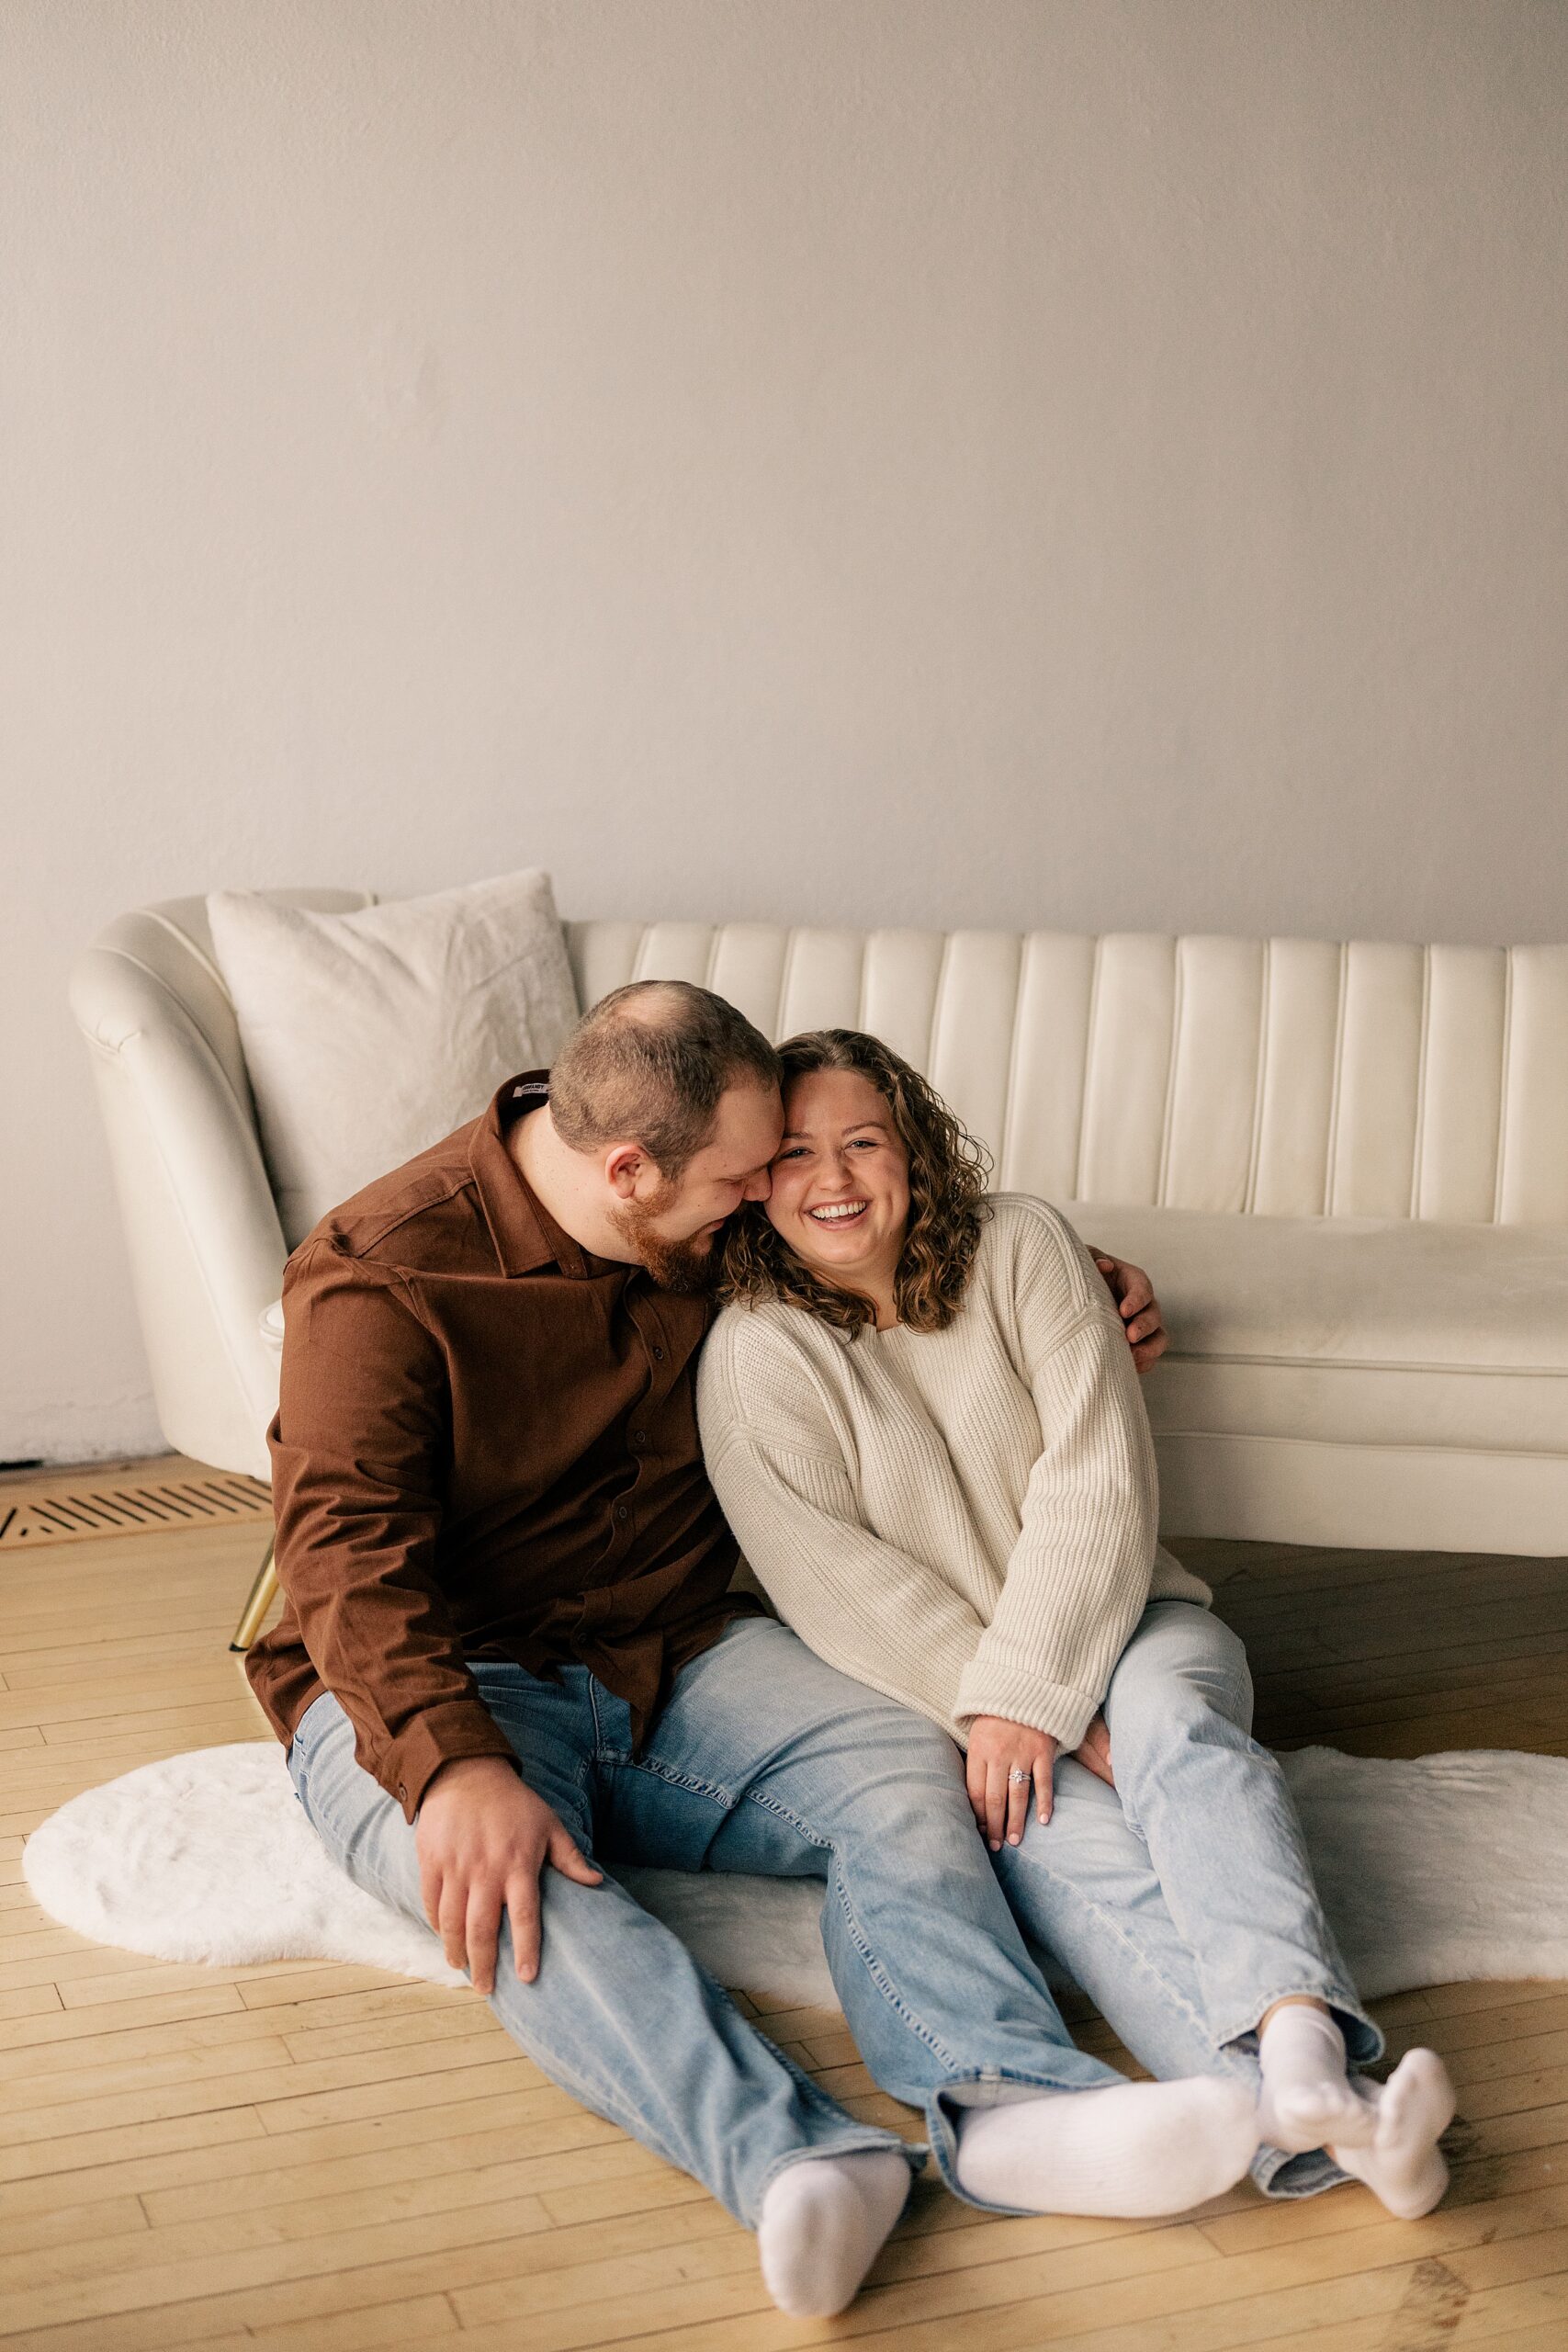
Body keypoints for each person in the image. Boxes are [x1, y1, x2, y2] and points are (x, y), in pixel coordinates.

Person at [246, 981, 1266, 2323]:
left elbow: (880, 1235)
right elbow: (343, 1551)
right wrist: (449, 1771)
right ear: (627, 1172)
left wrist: (1092, 1278)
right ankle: (800, 2165)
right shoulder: (384, 1269)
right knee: (523, 1891)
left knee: (911, 1766)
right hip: (440, 1681)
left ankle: (1010, 2105)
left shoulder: (695, 1219)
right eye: (743, 1180)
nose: (763, 1199)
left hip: (673, 1654)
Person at [698, 1026, 1458, 2224]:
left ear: (916, 1151)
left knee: (1173, 1729)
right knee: (1060, 1840)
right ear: (754, 1186)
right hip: (964, 1704)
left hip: (1139, 1624)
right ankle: (1328, 2126)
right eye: (795, 1155)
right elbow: (841, 1588)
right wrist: (1008, 1709)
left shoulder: (1024, 1246)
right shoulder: (751, 1356)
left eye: (863, 1142)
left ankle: (1302, 2039)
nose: (834, 1179)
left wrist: (1051, 1691)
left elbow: (1097, 1479)